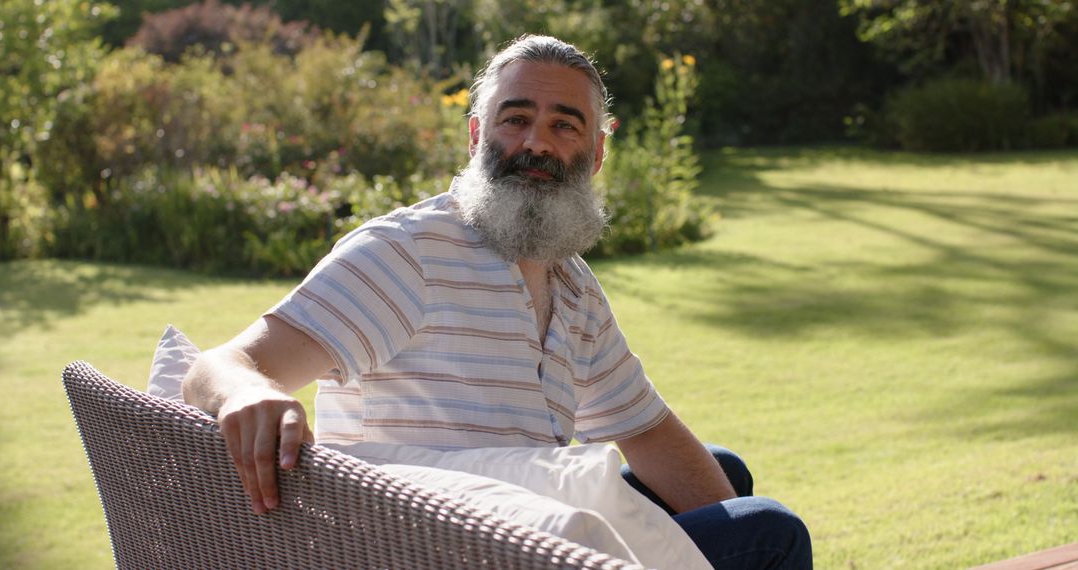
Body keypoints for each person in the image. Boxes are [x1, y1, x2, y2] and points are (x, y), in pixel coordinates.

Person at [184, 34, 811, 569]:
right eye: (516, 119)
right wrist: (249, 393)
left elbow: (644, 429)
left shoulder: (572, 285)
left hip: (525, 530)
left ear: (595, 153)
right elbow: (221, 366)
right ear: (477, 134)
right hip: (426, 546)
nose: (536, 143)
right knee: (770, 534)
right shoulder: (408, 253)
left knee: (725, 477)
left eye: (564, 124)